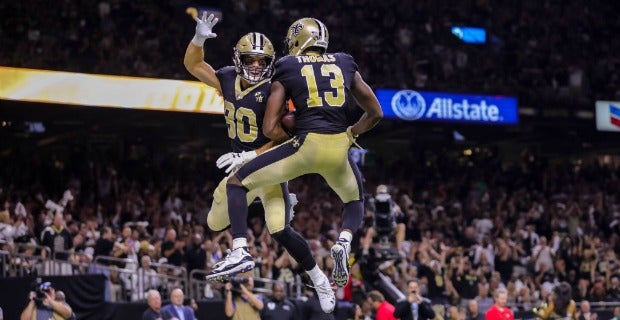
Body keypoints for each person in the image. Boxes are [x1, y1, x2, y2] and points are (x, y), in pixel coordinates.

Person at [207, 16, 382, 299]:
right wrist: (351, 134)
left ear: (299, 41)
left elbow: (269, 127)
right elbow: (375, 112)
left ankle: (239, 248)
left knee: (237, 182)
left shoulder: (287, 66)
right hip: (339, 146)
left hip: (304, 145)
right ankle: (344, 240)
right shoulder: (345, 61)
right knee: (354, 200)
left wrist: (267, 145)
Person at [185, 12, 336, 313]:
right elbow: (193, 64)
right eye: (250, 59)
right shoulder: (227, 77)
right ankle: (259, 209)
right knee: (214, 223)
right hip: (239, 164)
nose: (256, 66)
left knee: (279, 229)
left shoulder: (275, 89)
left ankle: (318, 278)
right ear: (239, 59)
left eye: (262, 61)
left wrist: (251, 155)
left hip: (266, 164)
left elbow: (281, 135)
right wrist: (198, 39)